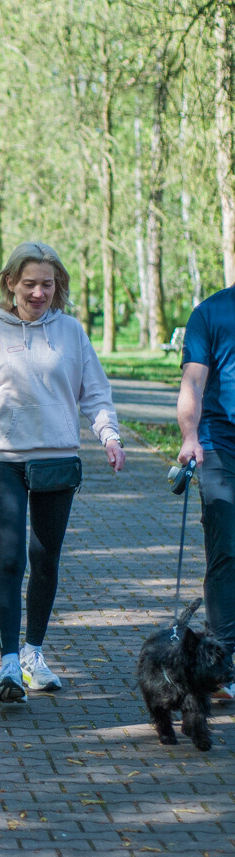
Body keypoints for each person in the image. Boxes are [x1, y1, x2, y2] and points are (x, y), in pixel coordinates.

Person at [0, 241, 125, 703]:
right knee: (11, 557)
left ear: (57, 286)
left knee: (45, 560)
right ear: (10, 284)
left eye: (47, 283)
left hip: (58, 460)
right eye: (29, 284)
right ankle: (6, 665)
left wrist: (109, 436)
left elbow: (94, 393)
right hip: (4, 460)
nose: (38, 292)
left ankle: (33, 655)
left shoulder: (72, 333)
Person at [176, 283, 235, 699]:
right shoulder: (210, 313)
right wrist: (189, 435)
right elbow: (193, 382)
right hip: (219, 443)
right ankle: (221, 665)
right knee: (227, 547)